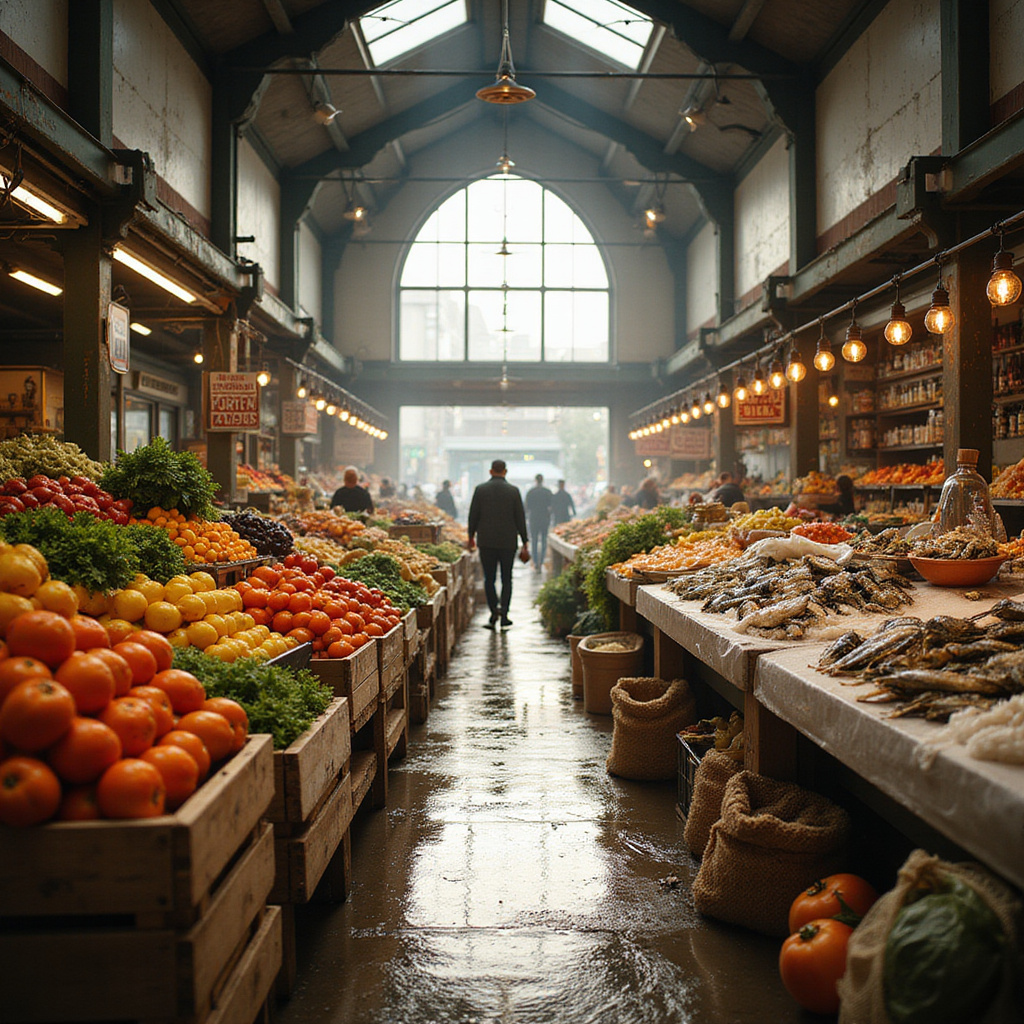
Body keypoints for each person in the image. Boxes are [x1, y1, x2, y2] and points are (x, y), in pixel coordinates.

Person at [467, 460, 529, 630]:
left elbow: (473, 515)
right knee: (507, 578)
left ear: (490, 471)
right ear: (505, 472)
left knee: (489, 578)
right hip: (508, 542)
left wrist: (471, 536)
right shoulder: (514, 491)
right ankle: (505, 615)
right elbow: (520, 518)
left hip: (486, 541)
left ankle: (494, 611)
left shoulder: (480, 490)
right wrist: (525, 541)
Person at [524, 473, 553, 574]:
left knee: (534, 541)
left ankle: (536, 562)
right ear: (542, 480)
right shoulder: (547, 492)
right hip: (544, 519)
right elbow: (551, 507)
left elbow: (526, 508)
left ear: (535, 480)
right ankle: (542, 561)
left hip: (534, 519)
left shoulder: (531, 492)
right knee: (544, 540)